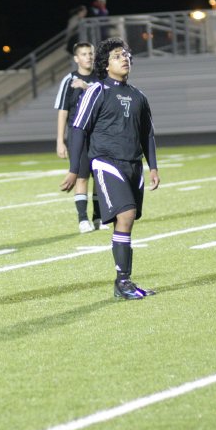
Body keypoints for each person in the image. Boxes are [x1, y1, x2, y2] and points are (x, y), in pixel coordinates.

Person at [60, 37, 160, 300]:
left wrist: (153, 167)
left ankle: (123, 282)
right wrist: (74, 169)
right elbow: (79, 129)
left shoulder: (138, 95)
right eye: (117, 55)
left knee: (128, 221)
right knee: (125, 215)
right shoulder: (97, 91)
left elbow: (147, 133)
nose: (125, 58)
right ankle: (123, 281)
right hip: (106, 161)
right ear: (105, 64)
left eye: (126, 54)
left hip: (133, 165)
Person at [54, 41, 106, 232]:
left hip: (99, 134)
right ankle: (83, 219)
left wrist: (87, 87)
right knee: (82, 176)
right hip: (79, 135)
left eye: (90, 53)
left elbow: (106, 101)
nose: (88, 57)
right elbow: (62, 111)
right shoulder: (69, 80)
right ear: (76, 58)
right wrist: (60, 141)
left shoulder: (101, 77)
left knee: (100, 176)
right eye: (84, 54)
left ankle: (99, 217)